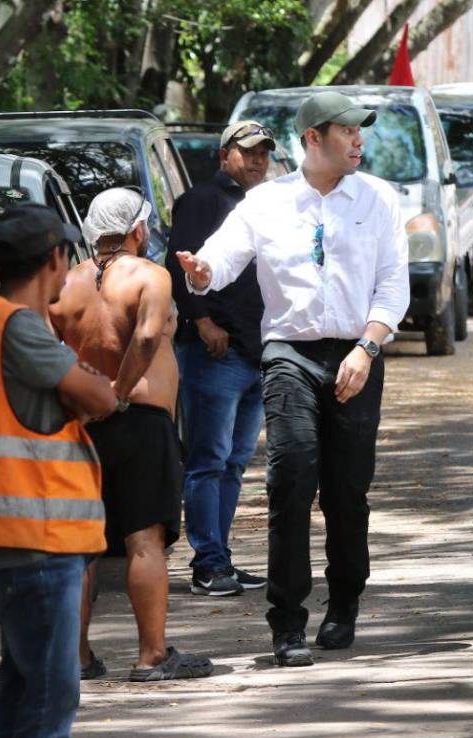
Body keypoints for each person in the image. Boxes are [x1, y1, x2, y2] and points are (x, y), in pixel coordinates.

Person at [175, 91, 410, 667]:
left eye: (361, 132)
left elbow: (392, 285)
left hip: (358, 352)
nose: (359, 140)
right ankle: (287, 623)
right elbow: (221, 259)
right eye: (348, 130)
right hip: (289, 355)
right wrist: (202, 273)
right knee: (291, 481)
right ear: (314, 138)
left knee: (347, 493)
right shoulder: (268, 203)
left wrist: (367, 346)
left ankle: (345, 604)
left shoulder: (378, 199)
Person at [0, 203, 118, 738]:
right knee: (49, 704)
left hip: (24, 541)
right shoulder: (21, 327)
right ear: (54, 258)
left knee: (24, 700)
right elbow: (97, 393)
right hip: (38, 542)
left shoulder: (0, 323)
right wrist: (87, 386)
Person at [53, 187, 213, 683]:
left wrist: (81, 399)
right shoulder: (151, 275)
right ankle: (152, 655)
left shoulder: (66, 283)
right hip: (140, 418)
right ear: (138, 230)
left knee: (83, 547)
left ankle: (76, 658)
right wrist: (119, 392)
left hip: (83, 425)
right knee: (145, 541)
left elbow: (40, 344)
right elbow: (145, 337)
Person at [168, 120, 276, 597]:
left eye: (264, 153)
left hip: (257, 350)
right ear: (224, 155)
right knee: (207, 460)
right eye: (248, 152)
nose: (257, 160)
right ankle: (207, 563)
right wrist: (202, 321)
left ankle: (222, 557)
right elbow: (180, 266)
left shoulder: (268, 204)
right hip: (215, 350)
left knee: (233, 461)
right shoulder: (202, 201)